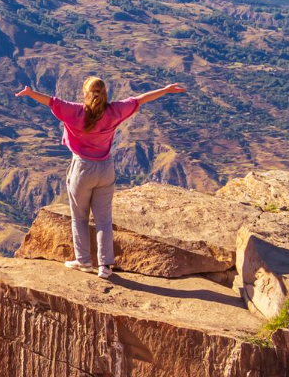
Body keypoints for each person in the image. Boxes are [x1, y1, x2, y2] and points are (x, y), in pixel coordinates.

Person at [15, 76, 187, 278]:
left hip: (82, 169)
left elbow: (51, 101)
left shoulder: (75, 111)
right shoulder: (114, 111)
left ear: (85, 94)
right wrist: (165, 89)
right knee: (104, 220)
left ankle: (84, 261)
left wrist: (30, 92)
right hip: (105, 169)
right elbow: (140, 99)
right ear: (105, 93)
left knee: (80, 218)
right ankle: (105, 266)